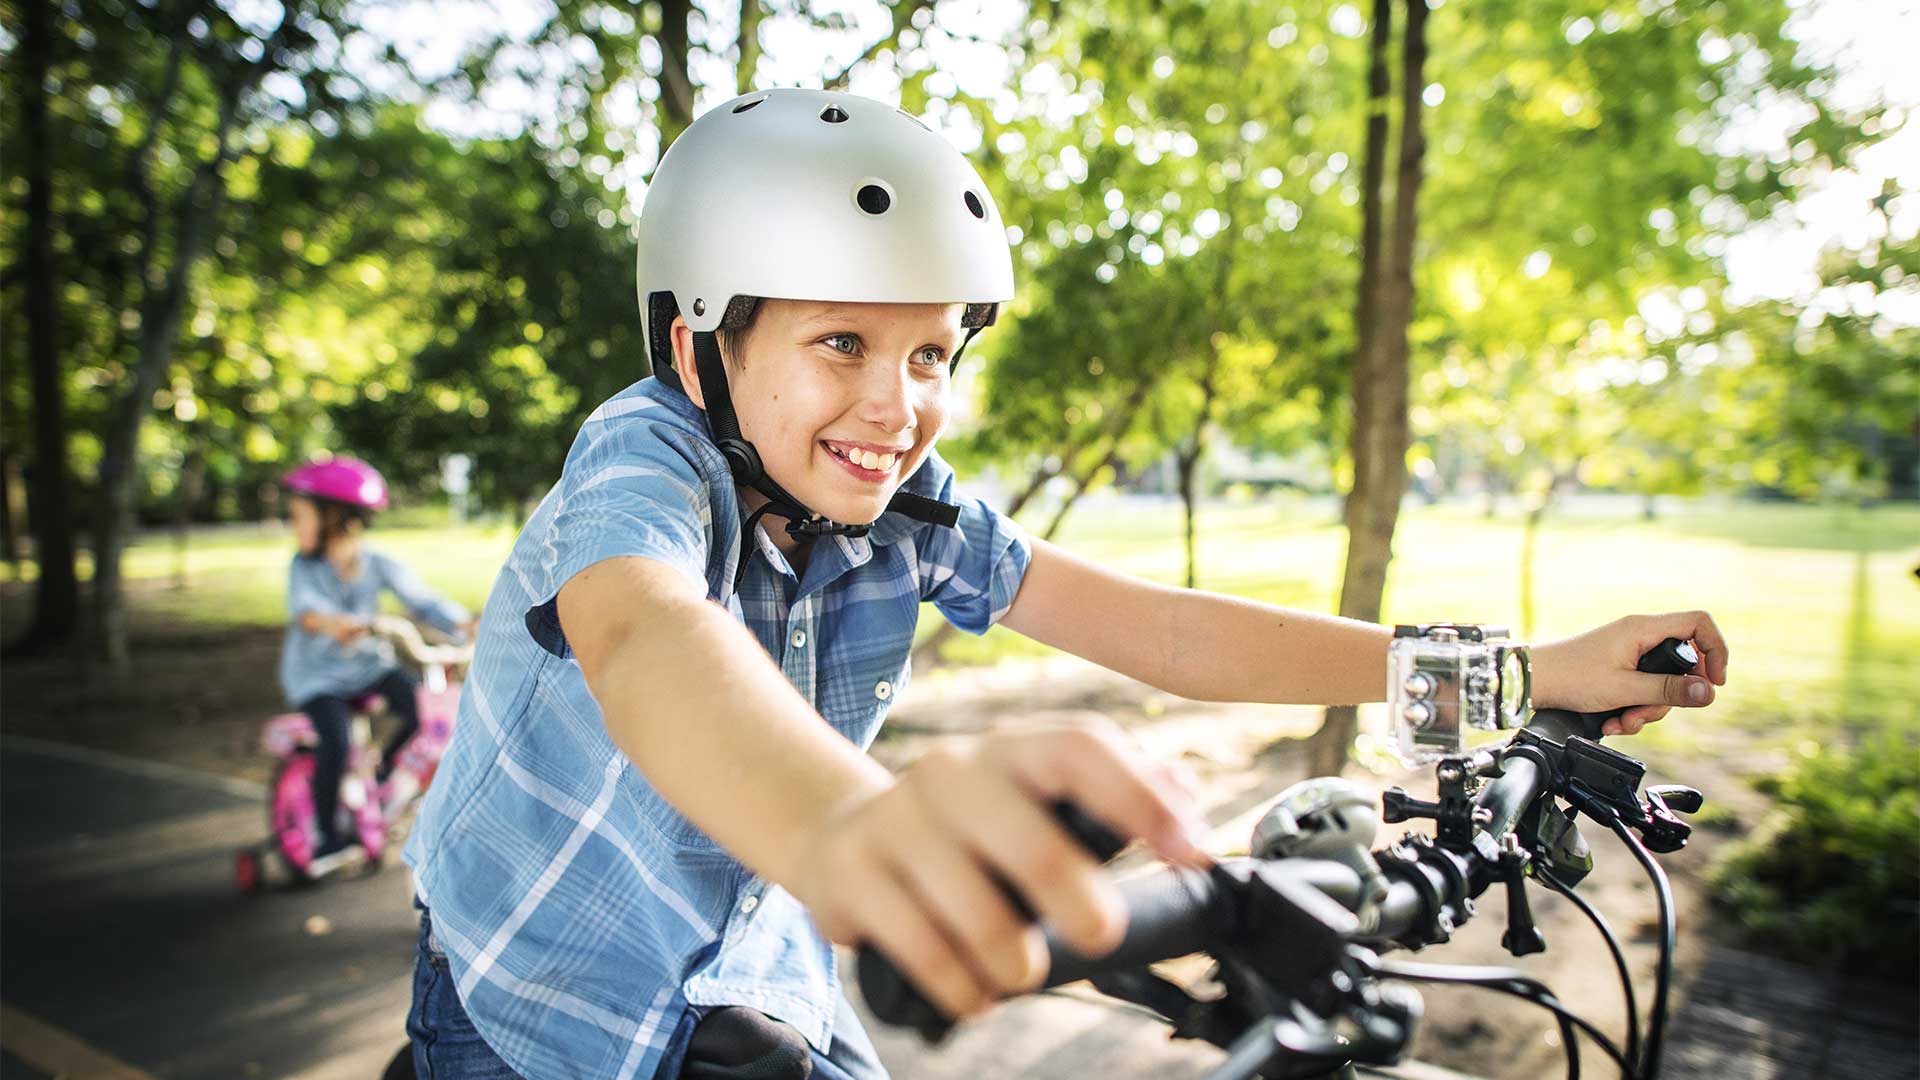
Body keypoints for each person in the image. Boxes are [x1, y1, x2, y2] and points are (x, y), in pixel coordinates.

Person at [400, 89, 1729, 1080]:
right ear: (698, 348)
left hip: (745, 971)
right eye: (843, 341)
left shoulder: (909, 508)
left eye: (933, 352)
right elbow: (644, 633)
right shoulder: (644, 457)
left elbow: (1167, 633)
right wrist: (856, 832)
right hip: (526, 990)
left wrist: (1531, 672)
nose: (899, 403)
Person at [280, 457, 471, 868]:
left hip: (367, 666)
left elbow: (421, 600)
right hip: (319, 677)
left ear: (334, 517)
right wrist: (333, 623)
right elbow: (306, 611)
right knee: (336, 740)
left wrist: (463, 623)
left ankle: (383, 776)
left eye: (300, 516)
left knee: (422, 711)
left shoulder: (378, 563)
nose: (294, 527)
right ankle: (327, 837)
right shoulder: (304, 567)